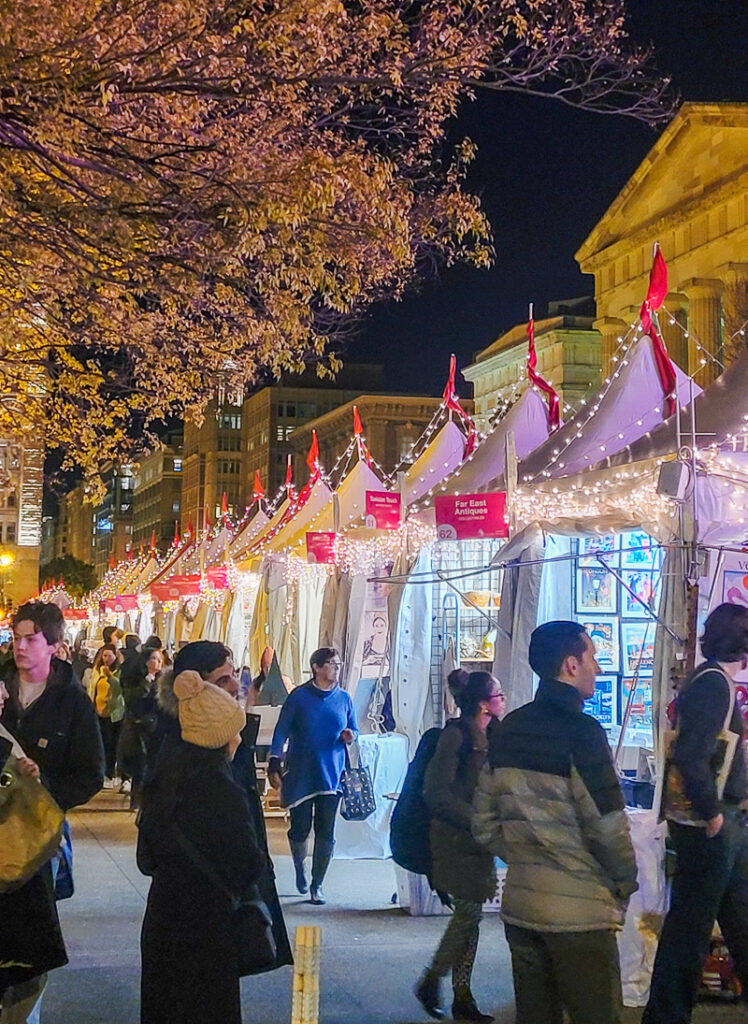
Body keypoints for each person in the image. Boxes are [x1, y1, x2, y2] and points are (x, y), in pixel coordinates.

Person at [472, 621, 637, 1024]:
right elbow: (607, 825)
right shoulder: (583, 733)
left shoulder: (508, 729)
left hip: (522, 909)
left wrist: (526, 858)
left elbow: (482, 822)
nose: (597, 668)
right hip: (580, 915)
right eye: (592, 658)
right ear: (570, 665)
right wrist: (624, 881)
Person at [150, 641, 293, 973]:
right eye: (222, 680)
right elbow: (240, 847)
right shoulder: (198, 765)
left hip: (193, 911)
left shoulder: (223, 746)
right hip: (204, 912)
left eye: (234, 676)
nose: (234, 687)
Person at [136, 669, 265, 1024]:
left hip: (163, 916)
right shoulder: (222, 790)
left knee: (165, 1008)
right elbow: (247, 865)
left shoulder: (162, 778)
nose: (238, 739)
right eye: (234, 731)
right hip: (208, 923)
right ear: (219, 738)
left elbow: (145, 859)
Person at [642, 603, 748, 1024]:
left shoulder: (709, 679)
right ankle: (666, 1016)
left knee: (738, 916)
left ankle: (666, 1014)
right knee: (691, 926)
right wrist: (711, 812)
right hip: (713, 822)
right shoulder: (714, 685)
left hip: (723, 821)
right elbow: (690, 754)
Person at [0, 602, 104, 1023]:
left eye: (31, 639)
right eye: (16, 637)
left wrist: (47, 787)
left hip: (34, 845)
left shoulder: (72, 704)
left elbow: (91, 774)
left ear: (54, 647)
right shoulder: (1, 691)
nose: (20, 646)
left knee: (29, 952)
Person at [415, 670, 506, 1023]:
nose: (502, 698)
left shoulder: (492, 733)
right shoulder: (456, 736)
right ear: (483, 703)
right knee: (469, 913)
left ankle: (462, 996)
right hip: (455, 839)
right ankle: (432, 979)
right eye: (497, 694)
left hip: (478, 840)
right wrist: (474, 818)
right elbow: (435, 792)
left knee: (472, 917)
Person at [268, 647, 358, 905]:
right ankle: (299, 869)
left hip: (332, 773)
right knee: (300, 829)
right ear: (317, 667)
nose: (336, 668)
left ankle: (317, 884)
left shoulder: (344, 698)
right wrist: (275, 759)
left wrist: (351, 735)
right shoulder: (299, 697)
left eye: (338, 664)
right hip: (301, 772)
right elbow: (281, 730)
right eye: (331, 664)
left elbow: (353, 727)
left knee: (326, 831)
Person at [119, 647, 163, 808]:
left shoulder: (164, 680)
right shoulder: (134, 678)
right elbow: (133, 698)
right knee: (139, 764)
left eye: (159, 660)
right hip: (137, 726)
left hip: (155, 727)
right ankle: (136, 799)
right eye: (153, 659)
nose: (157, 663)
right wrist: (148, 678)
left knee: (151, 764)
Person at [90, 644, 125, 787]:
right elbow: (92, 689)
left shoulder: (119, 672)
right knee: (100, 743)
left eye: (109, 655)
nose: (106, 659)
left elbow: (119, 689)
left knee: (112, 744)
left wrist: (110, 676)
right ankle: (101, 773)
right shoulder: (97, 671)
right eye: (104, 655)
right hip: (98, 711)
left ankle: (110, 773)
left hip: (114, 713)